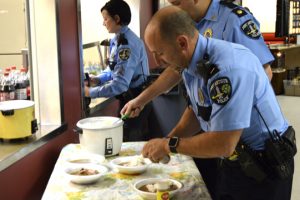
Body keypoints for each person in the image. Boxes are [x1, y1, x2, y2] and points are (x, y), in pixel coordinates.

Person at [121, 0, 274, 197]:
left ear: (182, 43)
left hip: (262, 161)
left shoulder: (227, 60)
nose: (158, 62)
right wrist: (168, 140)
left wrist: (170, 145)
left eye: (160, 54)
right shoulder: (191, 58)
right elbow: (198, 108)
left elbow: (224, 143)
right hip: (234, 159)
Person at [85, 0, 152, 142]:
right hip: (129, 97)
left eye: (105, 19)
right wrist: (98, 79)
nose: (103, 23)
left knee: (131, 145)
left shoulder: (126, 45)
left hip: (137, 99)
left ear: (116, 19)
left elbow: (120, 84)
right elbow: (114, 69)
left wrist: (90, 92)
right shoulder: (118, 40)